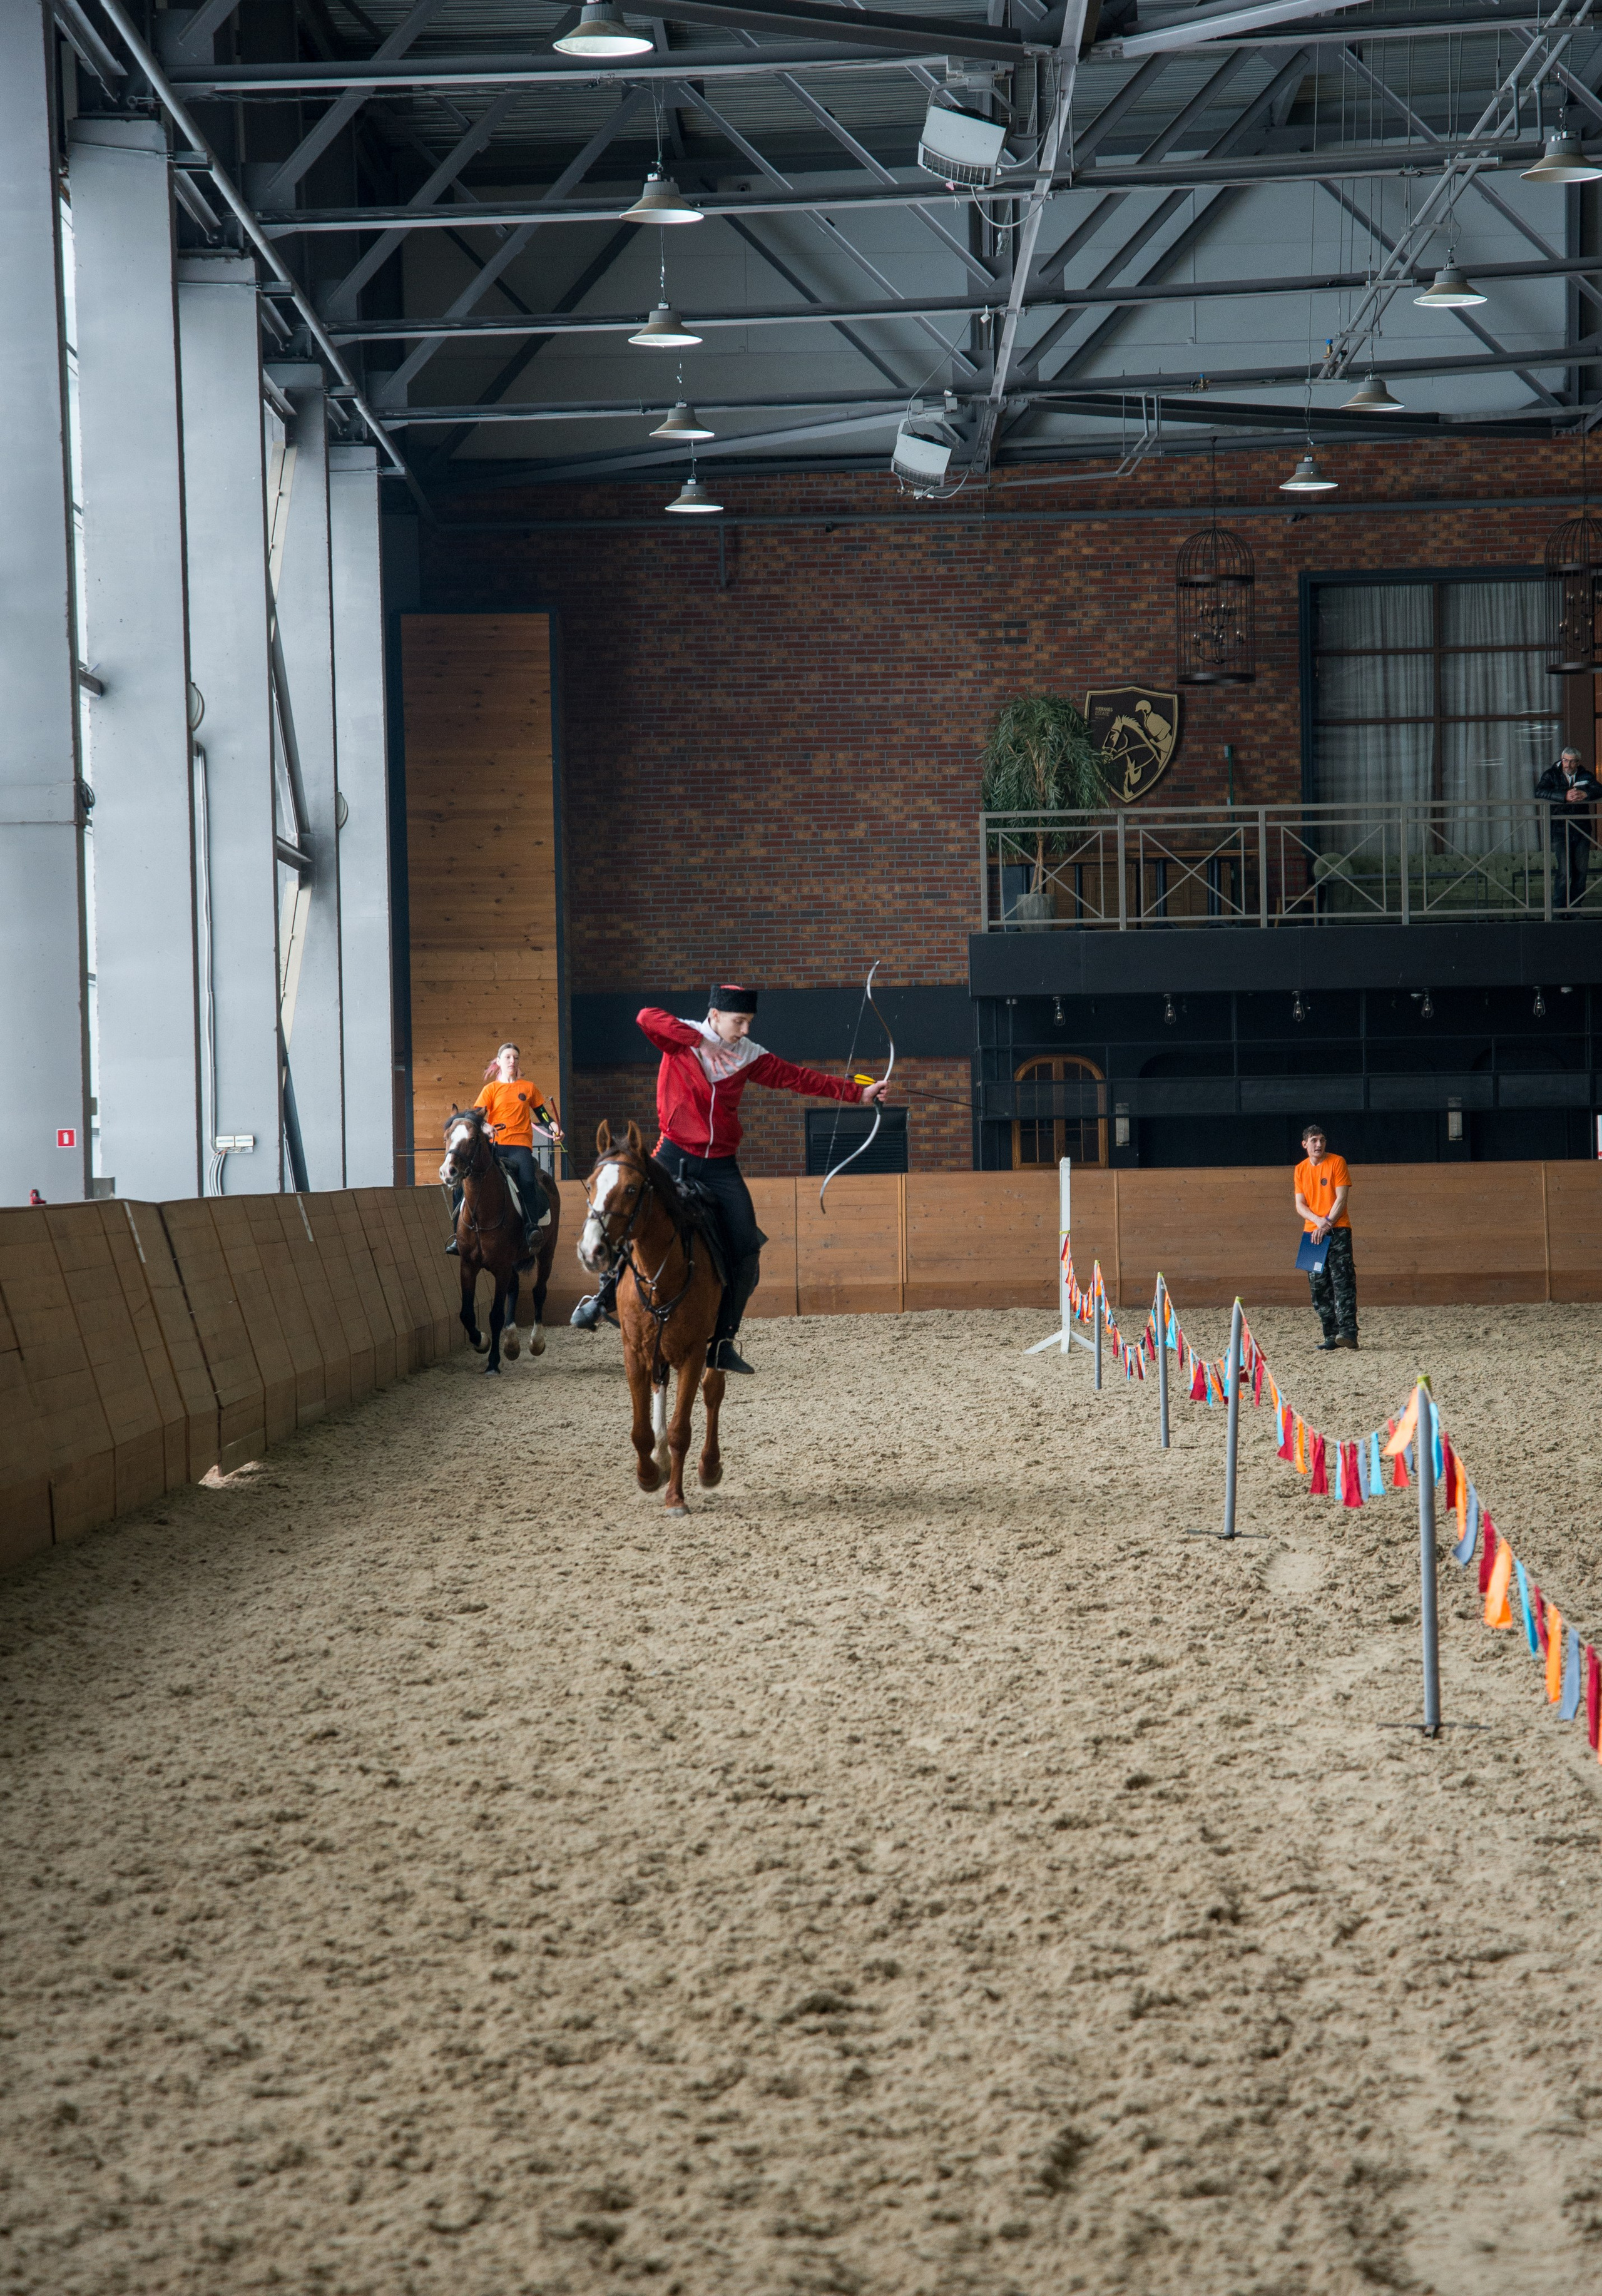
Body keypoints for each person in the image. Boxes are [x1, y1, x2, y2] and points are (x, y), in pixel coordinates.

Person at [571, 984, 890, 1373]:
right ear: (715, 1016)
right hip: (672, 1155)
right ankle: (603, 1297)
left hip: (720, 1165)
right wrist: (698, 1040)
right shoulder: (683, 1040)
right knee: (632, 1216)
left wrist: (860, 1093)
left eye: (749, 1023)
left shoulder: (749, 1056)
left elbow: (799, 1078)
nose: (744, 1031)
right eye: (739, 1022)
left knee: (744, 1247)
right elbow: (645, 1017)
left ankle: (722, 1341)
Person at [444, 1042, 564, 1265]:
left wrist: (554, 1126)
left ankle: (530, 1229)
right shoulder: (490, 1090)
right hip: (495, 1147)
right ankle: (457, 1235)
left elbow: (542, 1114)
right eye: (508, 1057)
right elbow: (476, 1118)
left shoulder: (528, 1088)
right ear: (499, 1062)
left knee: (528, 1181)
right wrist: (484, 1127)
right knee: (464, 1181)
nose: (512, 1061)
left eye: (516, 1058)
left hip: (520, 1147)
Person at [1294, 1122, 1357, 1352]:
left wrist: (1327, 1223)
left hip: (1338, 1229)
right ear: (1305, 1145)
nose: (1318, 1144)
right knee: (1318, 1287)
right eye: (1313, 1141)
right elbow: (1300, 1205)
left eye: (1321, 1140)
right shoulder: (1300, 1169)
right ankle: (1331, 1335)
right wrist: (1318, 1222)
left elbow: (1341, 1199)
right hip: (1312, 1234)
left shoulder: (1337, 1162)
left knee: (1342, 1281)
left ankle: (1349, 1333)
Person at [1535, 746, 1600, 911]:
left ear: (1578, 762)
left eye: (1572, 761)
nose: (1568, 765)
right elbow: (1540, 791)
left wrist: (1586, 795)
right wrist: (1564, 796)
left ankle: (1575, 908)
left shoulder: (1586, 775)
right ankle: (1559, 909)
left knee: (1581, 871)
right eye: (1565, 760)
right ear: (1561, 759)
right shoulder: (1551, 774)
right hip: (1560, 829)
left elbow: (1599, 789)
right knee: (1564, 871)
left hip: (1581, 829)